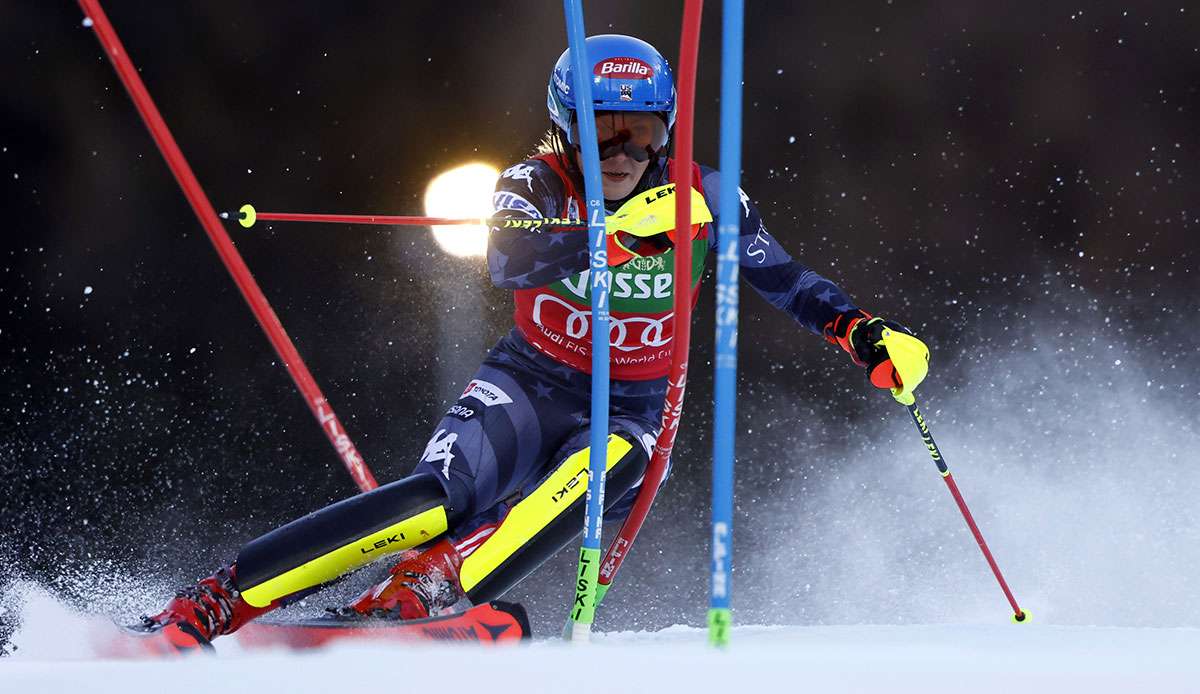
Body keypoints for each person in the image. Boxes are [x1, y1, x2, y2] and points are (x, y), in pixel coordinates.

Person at [141, 34, 928, 649]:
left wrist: (864, 335)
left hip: (627, 412)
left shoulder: (706, 197)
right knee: (432, 506)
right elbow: (507, 258)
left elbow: (785, 279)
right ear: (563, 131)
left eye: (642, 136)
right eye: (600, 135)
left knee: (597, 481)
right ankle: (217, 600)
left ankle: (423, 596)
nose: (621, 156)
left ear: (668, 133)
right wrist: (613, 241)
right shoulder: (533, 182)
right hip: (527, 385)